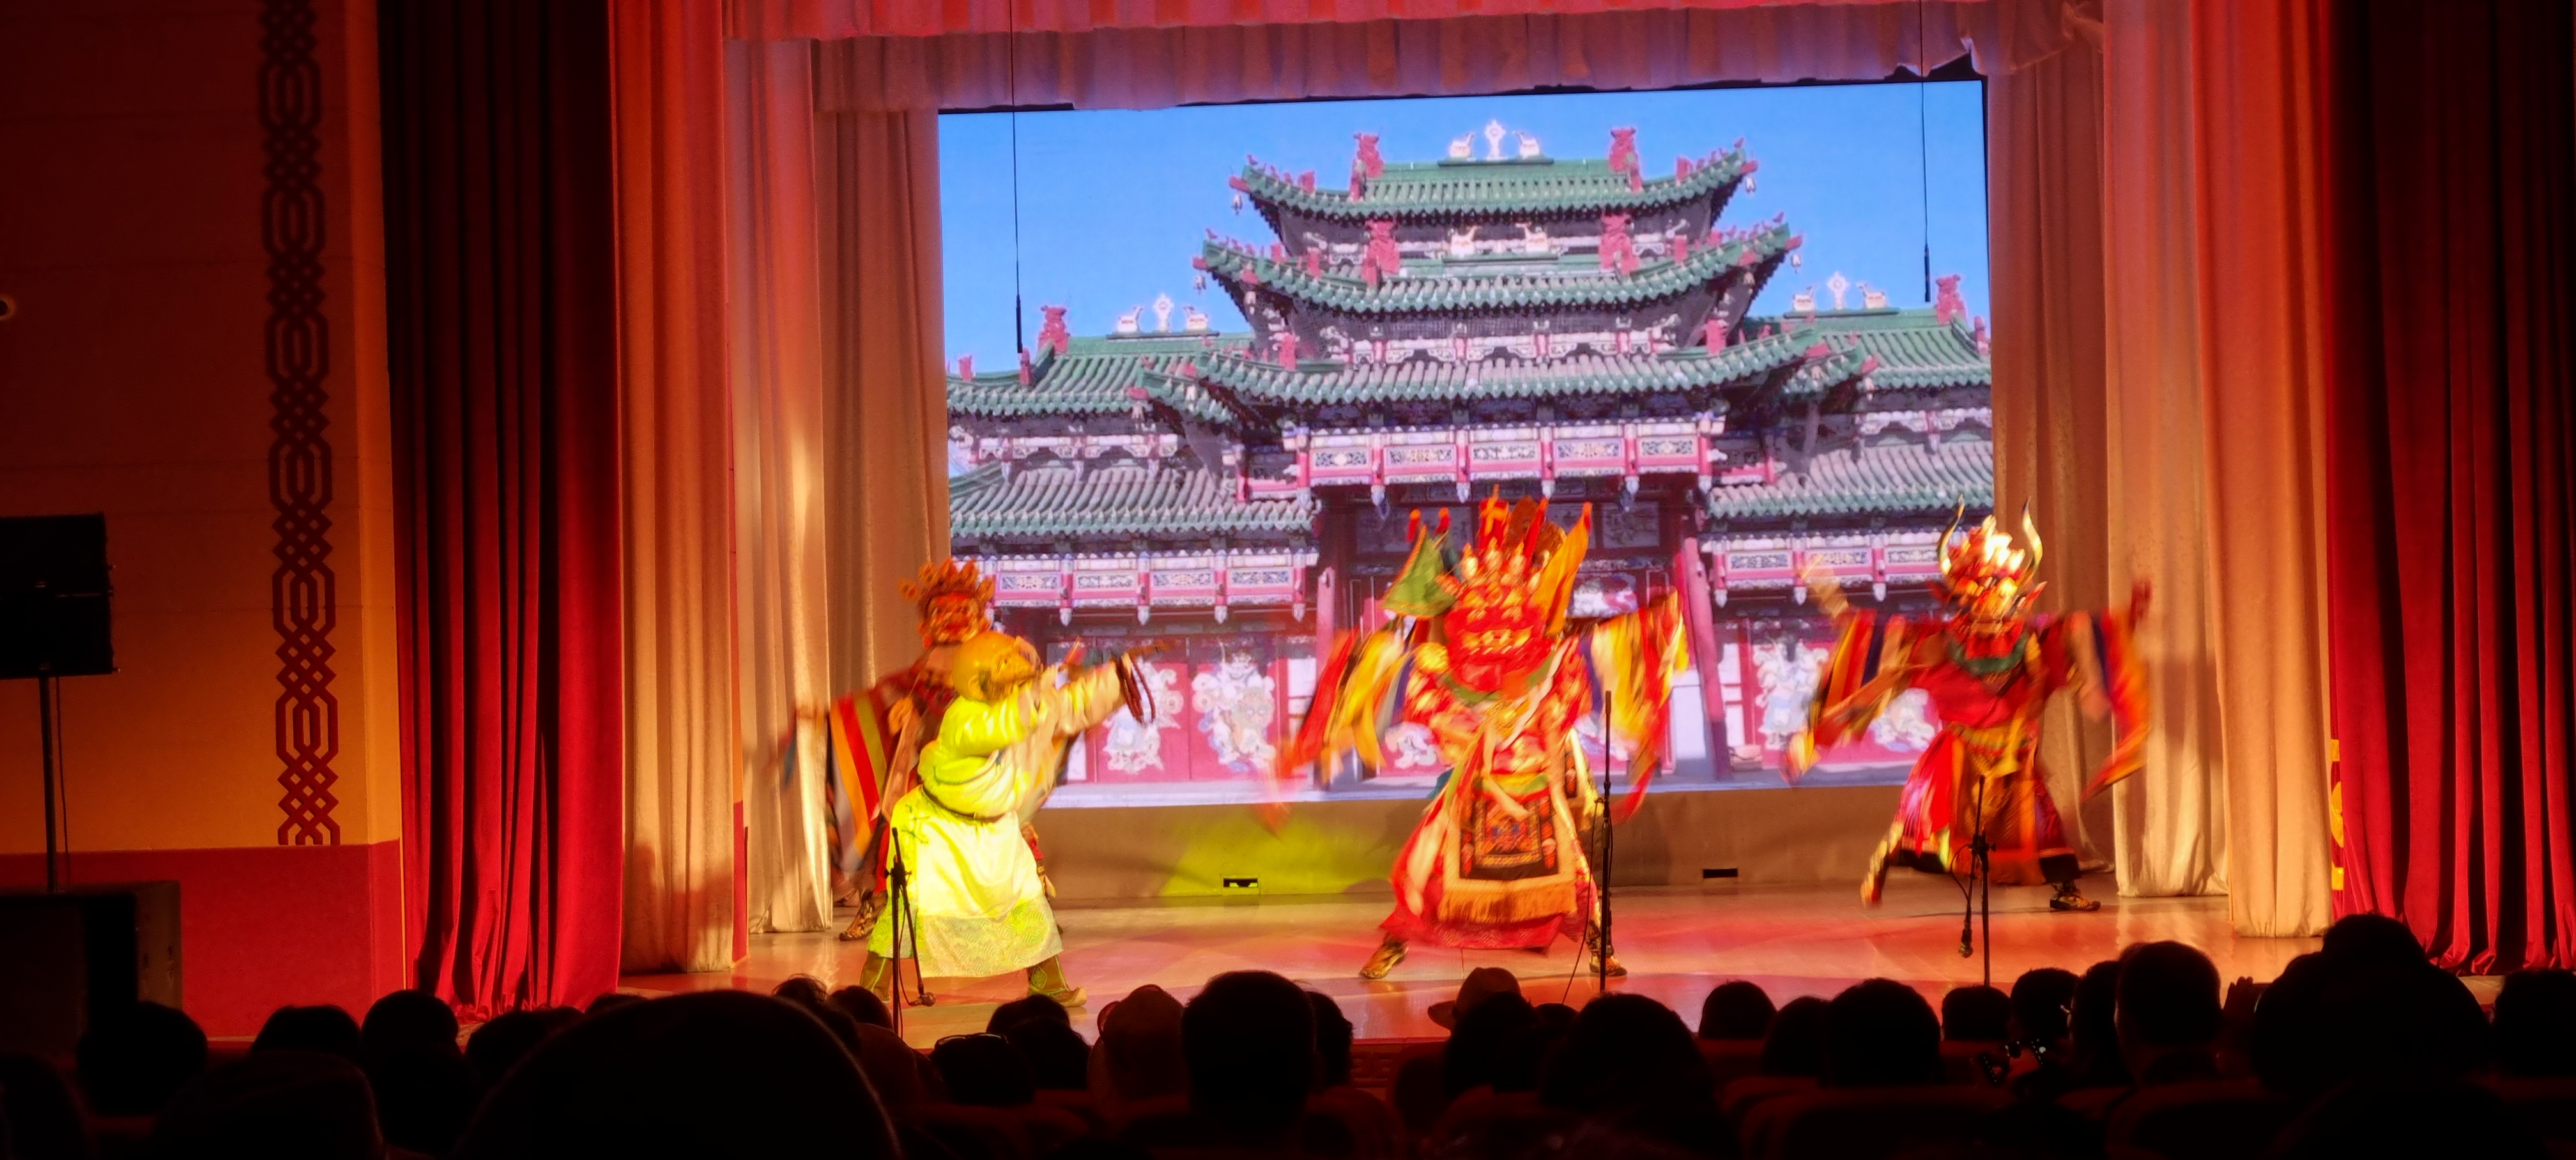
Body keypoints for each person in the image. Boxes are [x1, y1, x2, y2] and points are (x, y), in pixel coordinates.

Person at [1287, 496, 1688, 978]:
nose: (1496, 638)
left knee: (1576, 879)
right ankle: (1396, 942)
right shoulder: (1442, 670)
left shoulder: (1554, 665)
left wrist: (1657, 622)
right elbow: (1393, 684)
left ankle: (1600, 944)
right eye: (1484, 623)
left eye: (1506, 623)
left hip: (1534, 791)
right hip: (1473, 791)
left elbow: (1612, 651)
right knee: (1423, 872)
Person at [1791, 507, 2151, 912]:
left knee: (2041, 822)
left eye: (2000, 588)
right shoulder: (1941, 641)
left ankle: (2065, 887)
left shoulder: (2032, 637)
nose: (1991, 599)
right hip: (1959, 748)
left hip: (2012, 749)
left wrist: (2128, 618)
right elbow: (1878, 642)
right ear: (1964, 594)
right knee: (1925, 820)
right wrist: (1832, 600)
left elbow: (2084, 635)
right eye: (1981, 589)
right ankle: (1884, 859)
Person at [859, 626, 1156, 1009]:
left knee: (1028, 899)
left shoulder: (1028, 704)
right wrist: (1038, 693)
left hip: (996, 827)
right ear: (980, 680)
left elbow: (1073, 705)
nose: (1018, 665)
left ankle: (1048, 983)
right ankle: (871, 989)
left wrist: (1117, 676)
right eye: (1005, 662)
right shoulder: (966, 716)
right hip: (939, 828)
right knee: (911, 905)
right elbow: (1000, 729)